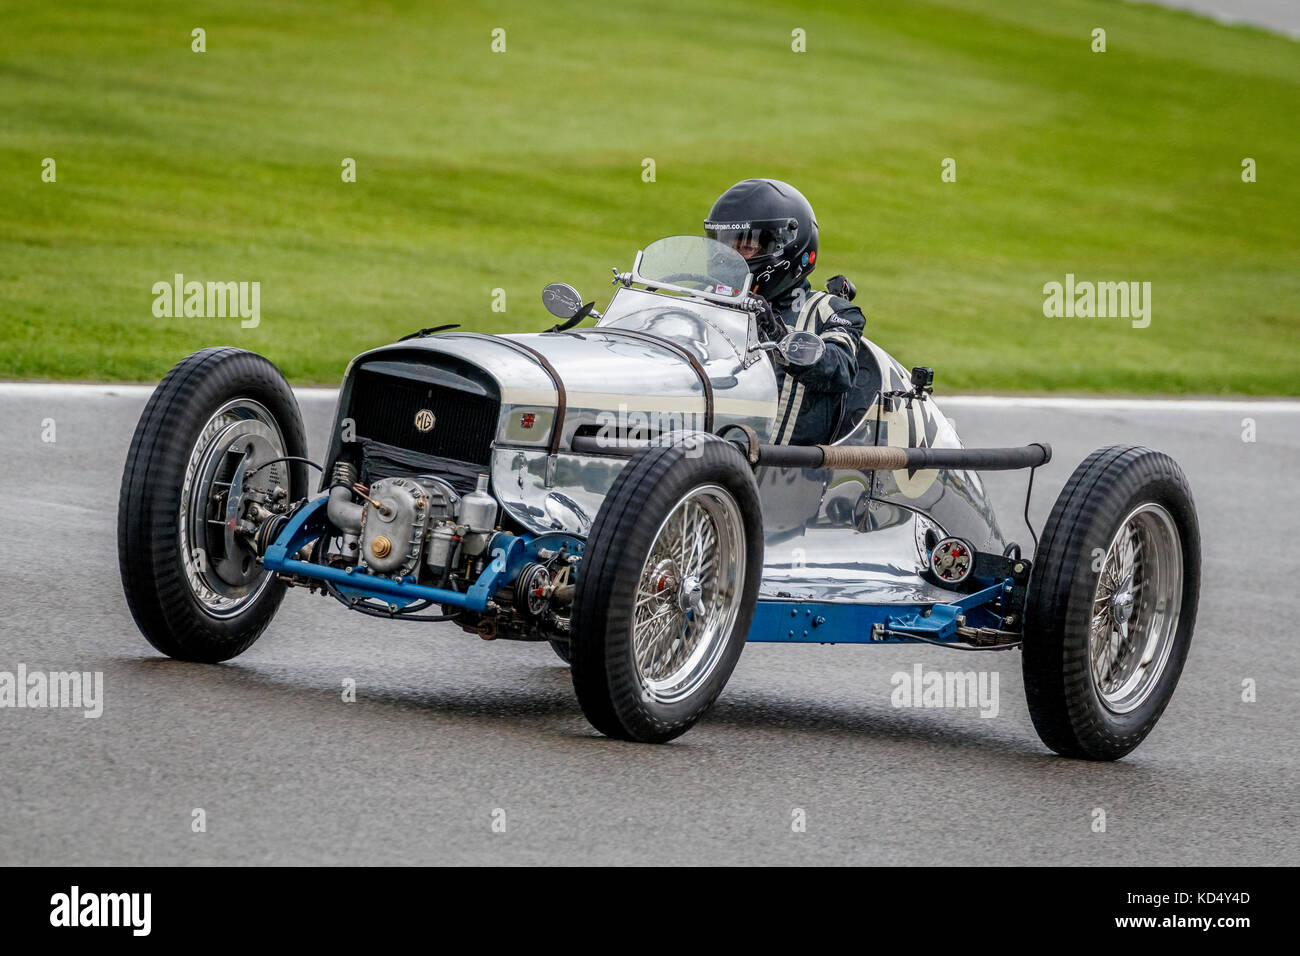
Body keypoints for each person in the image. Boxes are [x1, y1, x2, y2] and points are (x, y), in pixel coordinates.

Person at [705, 178, 866, 445]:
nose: (729, 258)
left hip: (787, 473)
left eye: (746, 246)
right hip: (705, 463)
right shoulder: (707, 303)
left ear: (787, 247)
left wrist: (779, 335)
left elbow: (840, 370)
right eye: (724, 245)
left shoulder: (829, 311)